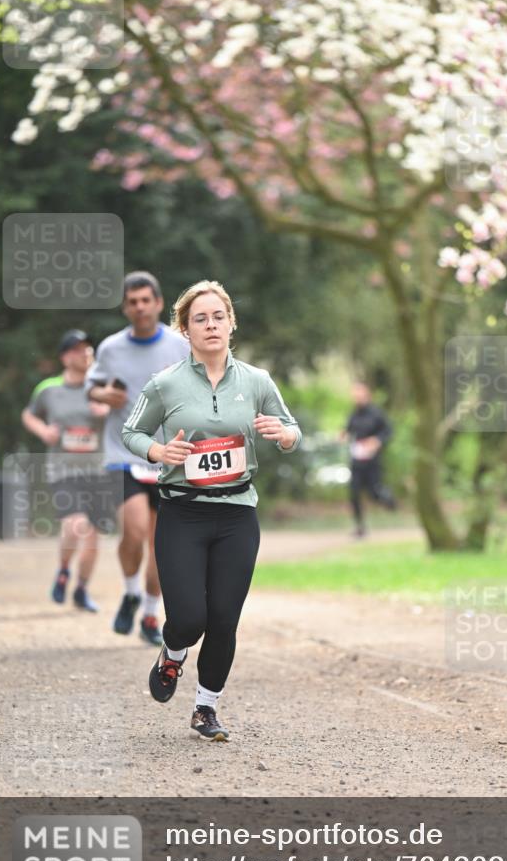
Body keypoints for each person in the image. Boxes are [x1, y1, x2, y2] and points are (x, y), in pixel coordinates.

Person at [122, 279, 301, 741]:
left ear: (230, 323)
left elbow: (291, 428)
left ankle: (206, 708)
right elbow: (131, 432)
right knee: (189, 618)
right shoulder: (165, 384)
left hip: (237, 513)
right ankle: (172, 653)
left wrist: (283, 435)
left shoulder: (257, 381)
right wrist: (158, 453)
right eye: (200, 319)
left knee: (224, 618)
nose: (211, 325)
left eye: (218, 316)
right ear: (185, 329)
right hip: (182, 513)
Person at [85, 271, 189, 644]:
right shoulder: (111, 348)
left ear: (159, 303)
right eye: (133, 301)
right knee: (135, 529)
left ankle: (148, 612)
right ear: (125, 307)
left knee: (162, 544)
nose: (140, 306)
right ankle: (130, 592)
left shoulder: (180, 345)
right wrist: (102, 396)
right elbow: (92, 389)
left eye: (147, 300)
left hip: (171, 455)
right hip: (123, 451)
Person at [21, 329, 109, 611]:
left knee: (94, 536)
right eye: (77, 349)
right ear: (64, 356)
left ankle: (81, 589)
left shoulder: (103, 386)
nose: (84, 353)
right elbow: (28, 414)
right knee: (75, 524)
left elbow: (127, 416)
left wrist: (106, 412)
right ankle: (63, 570)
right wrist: (44, 431)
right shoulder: (48, 389)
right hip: (63, 470)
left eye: (88, 349)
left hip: (98, 471)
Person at [342, 380, 396, 537]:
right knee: (354, 493)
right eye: (354, 393)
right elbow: (349, 430)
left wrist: (377, 441)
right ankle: (360, 527)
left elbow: (388, 431)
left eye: (360, 392)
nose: (357, 396)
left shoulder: (376, 413)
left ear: (367, 394)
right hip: (357, 460)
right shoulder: (353, 414)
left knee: (374, 492)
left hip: (372, 461)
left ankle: (390, 501)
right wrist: (343, 435)